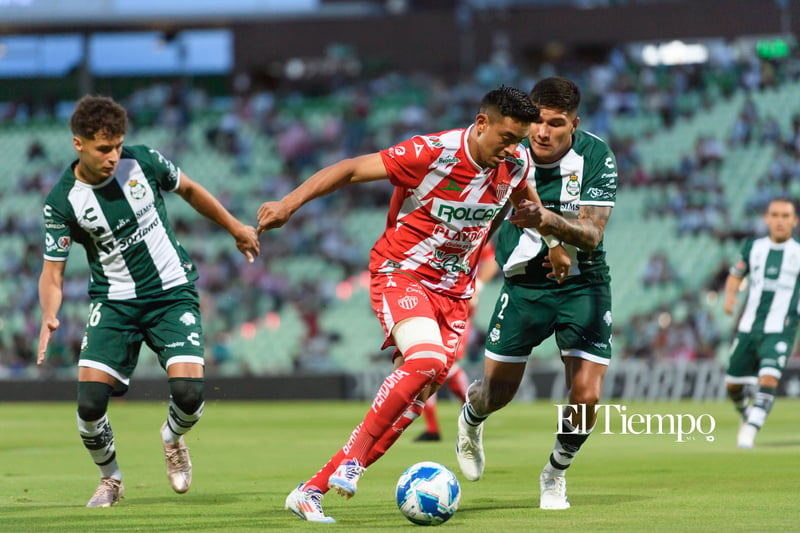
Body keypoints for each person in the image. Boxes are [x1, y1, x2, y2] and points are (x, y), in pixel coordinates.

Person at [257, 86, 566, 523]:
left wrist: (553, 243)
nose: (512, 148)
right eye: (506, 137)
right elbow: (348, 170)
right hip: (402, 271)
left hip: (455, 292)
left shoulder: (514, 164)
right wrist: (289, 205)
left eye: (519, 139)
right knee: (426, 360)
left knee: (417, 394)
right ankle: (355, 459)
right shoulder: (430, 152)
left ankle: (311, 491)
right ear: (481, 124)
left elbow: (526, 203)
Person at [37, 95, 260, 508]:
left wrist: (234, 227)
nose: (113, 156)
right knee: (88, 405)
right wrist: (49, 313)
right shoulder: (62, 201)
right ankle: (111, 479)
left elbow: (190, 189)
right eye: (104, 148)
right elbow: (53, 272)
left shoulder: (142, 162)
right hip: (115, 303)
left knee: (189, 394)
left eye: (118, 145)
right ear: (78, 144)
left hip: (172, 293)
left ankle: (172, 437)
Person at [455, 76, 618, 511]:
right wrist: (470, 277)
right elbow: (483, 218)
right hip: (525, 286)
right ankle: (472, 418)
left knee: (586, 396)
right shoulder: (510, 150)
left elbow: (592, 233)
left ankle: (555, 474)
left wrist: (546, 221)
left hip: (584, 284)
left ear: (574, 124)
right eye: (539, 123)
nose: (543, 132)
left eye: (556, 123)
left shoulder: (596, 155)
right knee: (496, 395)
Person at [723, 197, 800, 449]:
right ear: (767, 218)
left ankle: (749, 433)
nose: (780, 220)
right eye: (775, 215)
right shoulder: (752, 247)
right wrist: (730, 297)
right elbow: (736, 275)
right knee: (733, 384)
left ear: (794, 220)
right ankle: (748, 416)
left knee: (768, 378)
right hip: (748, 327)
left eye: (785, 216)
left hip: (782, 329)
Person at [414, 242, 498, 442]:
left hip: (459, 303)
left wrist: (479, 285)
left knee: (441, 364)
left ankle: (470, 413)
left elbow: (491, 262)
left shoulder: (470, 232)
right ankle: (464, 415)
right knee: (432, 364)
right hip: (432, 300)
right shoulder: (436, 233)